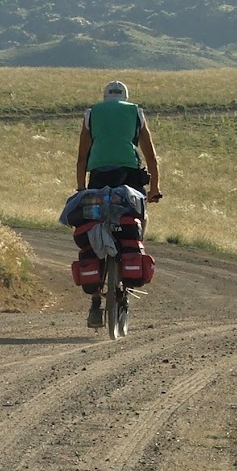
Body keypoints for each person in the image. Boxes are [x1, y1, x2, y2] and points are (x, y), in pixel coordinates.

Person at [75, 79, 161, 328]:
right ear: (125, 97)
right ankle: (133, 253)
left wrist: (81, 188)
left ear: (105, 98)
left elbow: (82, 157)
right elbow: (151, 156)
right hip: (130, 176)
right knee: (137, 217)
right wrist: (154, 188)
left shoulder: (91, 114)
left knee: (94, 225)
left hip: (98, 177)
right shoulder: (136, 113)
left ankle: (94, 304)